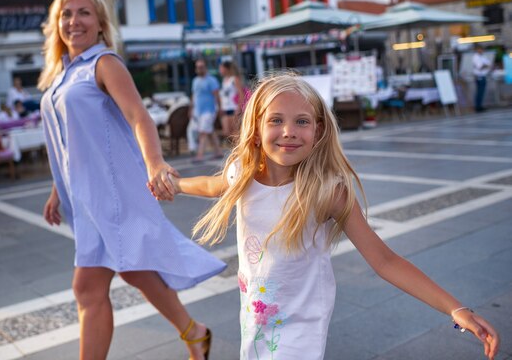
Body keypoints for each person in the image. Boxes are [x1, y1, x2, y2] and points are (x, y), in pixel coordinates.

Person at [155, 73, 500, 360]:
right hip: (255, 319)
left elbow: (385, 260)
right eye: (276, 120)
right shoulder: (242, 175)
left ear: (318, 131)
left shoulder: (327, 192)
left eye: (301, 121)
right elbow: (212, 185)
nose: (289, 131)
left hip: (302, 328)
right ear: (256, 129)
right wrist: (176, 184)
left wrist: (455, 308)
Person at [37, 0, 225, 360]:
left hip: (113, 192)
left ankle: (194, 333)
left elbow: (139, 116)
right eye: (66, 14)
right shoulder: (60, 77)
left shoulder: (103, 63)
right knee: (127, 272)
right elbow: (68, 140)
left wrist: (155, 163)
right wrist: (59, 188)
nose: (74, 21)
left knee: (91, 286)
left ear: (101, 23)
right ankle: (194, 332)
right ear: (56, 25)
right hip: (86, 197)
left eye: (84, 13)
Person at [190, 59, 222, 163]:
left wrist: (220, 108)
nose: (200, 69)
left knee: (203, 133)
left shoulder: (211, 80)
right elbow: (194, 96)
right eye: (198, 67)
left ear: (205, 68)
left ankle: (200, 156)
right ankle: (218, 152)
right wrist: (191, 109)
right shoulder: (195, 81)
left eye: (201, 67)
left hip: (209, 110)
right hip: (198, 111)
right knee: (210, 132)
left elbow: (216, 95)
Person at [218, 60, 245, 141]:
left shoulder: (234, 79)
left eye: (221, 68)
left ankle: (240, 150)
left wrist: (239, 107)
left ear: (226, 69)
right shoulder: (224, 80)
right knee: (226, 132)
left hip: (233, 107)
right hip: (225, 108)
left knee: (235, 132)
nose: (220, 70)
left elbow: (241, 94)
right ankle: (237, 149)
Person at [472, 45, 492, 113]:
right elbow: (480, 67)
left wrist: (486, 65)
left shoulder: (483, 56)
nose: (481, 51)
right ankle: (478, 106)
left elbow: (488, 64)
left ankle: (480, 105)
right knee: (479, 92)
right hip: (479, 76)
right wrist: (486, 65)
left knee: (482, 92)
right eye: (479, 49)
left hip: (483, 76)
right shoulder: (475, 57)